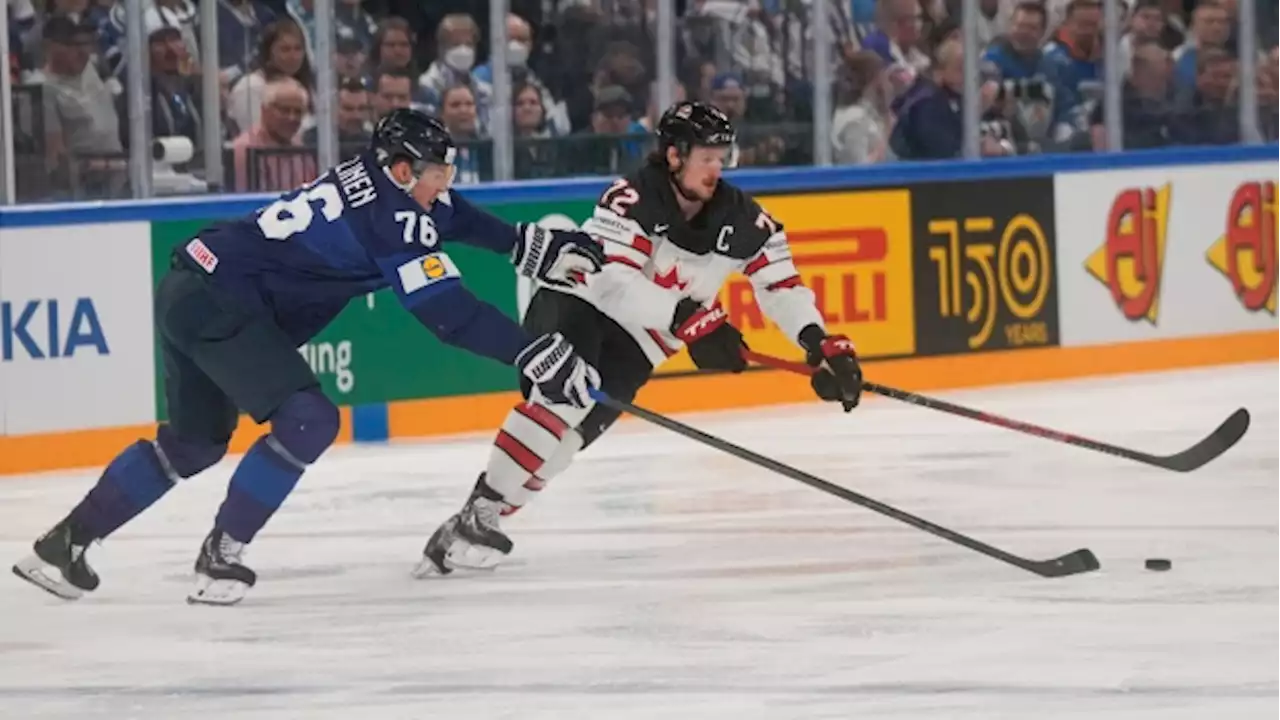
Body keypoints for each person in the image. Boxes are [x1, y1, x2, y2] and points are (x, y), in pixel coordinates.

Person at [13, 109, 606, 606]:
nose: (442, 187)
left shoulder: (381, 179)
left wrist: (522, 242)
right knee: (308, 419)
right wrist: (534, 354)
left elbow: (451, 214)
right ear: (403, 170)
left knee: (193, 444)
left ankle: (63, 546)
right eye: (436, 175)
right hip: (221, 304)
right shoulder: (394, 217)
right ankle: (222, 553)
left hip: (189, 290)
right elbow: (448, 313)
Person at [413, 102, 864, 578]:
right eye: (706, 157)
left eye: (722, 157)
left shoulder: (748, 221)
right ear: (674, 155)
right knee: (565, 394)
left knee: (565, 445)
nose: (717, 168)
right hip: (577, 304)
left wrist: (817, 343)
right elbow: (611, 282)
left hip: (641, 344)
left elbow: (781, 288)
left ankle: (470, 526)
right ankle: (479, 510)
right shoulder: (630, 197)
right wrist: (690, 317)